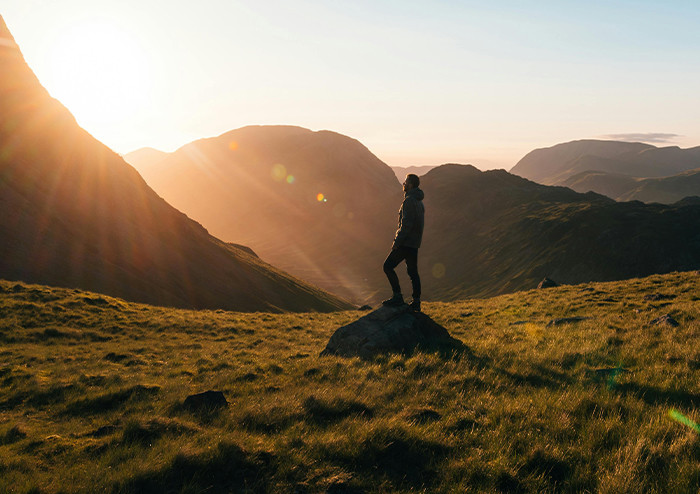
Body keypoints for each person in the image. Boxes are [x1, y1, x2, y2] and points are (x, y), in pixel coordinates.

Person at [382, 173, 424, 311]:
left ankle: (397, 296)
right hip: (414, 244)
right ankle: (416, 301)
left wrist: (397, 242)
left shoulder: (409, 201)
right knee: (413, 272)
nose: (403, 184)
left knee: (387, 266)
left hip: (405, 243)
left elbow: (405, 225)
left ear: (410, 184)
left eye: (405, 182)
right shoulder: (419, 202)